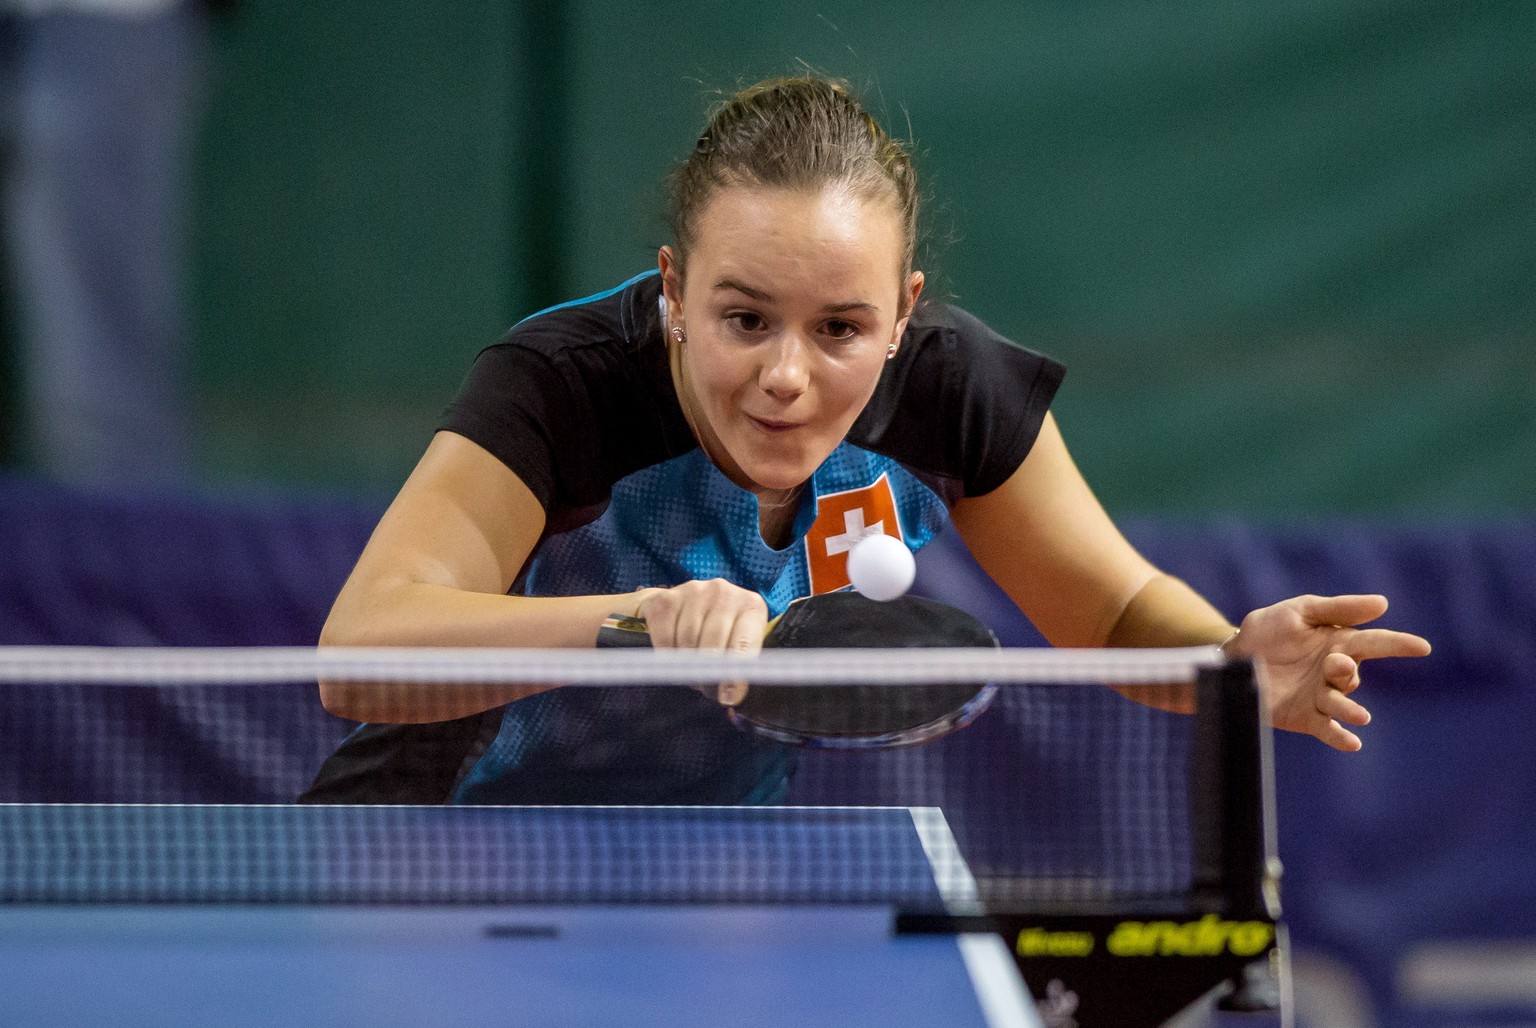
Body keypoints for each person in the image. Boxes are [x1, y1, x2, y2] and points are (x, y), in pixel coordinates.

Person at [302, 76, 1430, 806]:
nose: (786, 376)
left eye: (840, 328)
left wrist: (1225, 662)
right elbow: (361, 653)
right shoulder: (565, 388)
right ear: (674, 290)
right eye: (744, 318)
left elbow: (1120, 612)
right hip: (427, 857)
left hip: (700, 877)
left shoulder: (949, 392)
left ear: (903, 314)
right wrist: (631, 622)